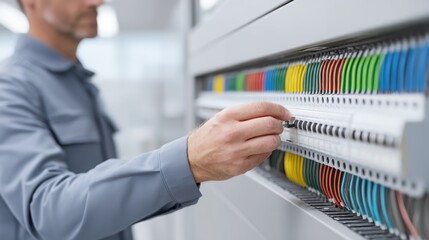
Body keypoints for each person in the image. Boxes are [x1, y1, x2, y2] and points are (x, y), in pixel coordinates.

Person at [0, 0, 292, 239]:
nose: (97, 2)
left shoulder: (77, 82)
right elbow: (48, 211)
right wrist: (190, 161)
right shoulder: (10, 88)